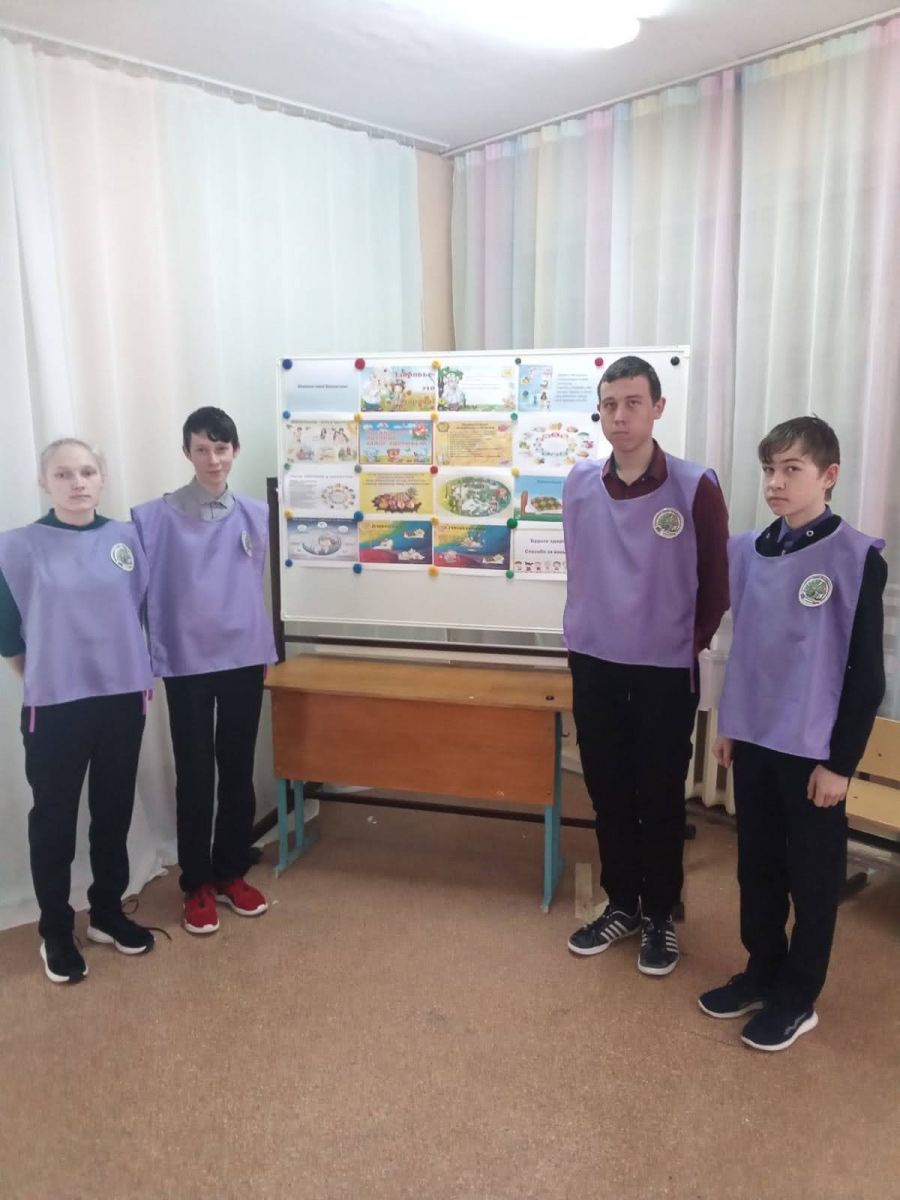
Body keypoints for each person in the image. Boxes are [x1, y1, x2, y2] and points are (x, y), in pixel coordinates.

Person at [699, 416, 886, 1051]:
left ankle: (798, 996)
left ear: (828, 476)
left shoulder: (855, 557)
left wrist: (841, 764)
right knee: (757, 867)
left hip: (813, 753)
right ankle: (761, 971)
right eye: (768, 471)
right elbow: (746, 648)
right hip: (755, 742)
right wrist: (730, 725)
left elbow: (865, 676)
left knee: (811, 879)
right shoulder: (750, 550)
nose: (775, 483)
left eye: (791, 470)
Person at [563, 356, 729, 975]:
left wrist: (683, 642)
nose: (620, 416)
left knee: (659, 794)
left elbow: (717, 583)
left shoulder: (694, 486)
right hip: (595, 663)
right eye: (609, 405)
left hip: (663, 669)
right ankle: (622, 904)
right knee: (606, 789)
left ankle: (660, 912)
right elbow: (582, 568)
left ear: (658, 408)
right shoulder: (580, 483)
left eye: (633, 403)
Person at [0, 439, 155, 984]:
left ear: (102, 478)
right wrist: (53, 675)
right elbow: (9, 638)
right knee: (55, 821)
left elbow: (140, 610)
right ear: (44, 482)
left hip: (122, 699)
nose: (78, 482)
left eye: (87, 471)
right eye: (64, 474)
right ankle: (55, 931)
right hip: (56, 706)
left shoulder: (127, 539)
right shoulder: (17, 548)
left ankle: (107, 913)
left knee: (112, 811)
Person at [132, 407, 277, 936]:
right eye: (201, 449)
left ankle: (231, 870)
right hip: (187, 660)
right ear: (187, 453)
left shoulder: (256, 515)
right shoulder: (154, 518)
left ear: (234, 451)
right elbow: (138, 596)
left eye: (221, 448)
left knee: (237, 768)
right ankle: (196, 880)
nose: (213, 459)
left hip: (243, 656)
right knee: (195, 772)